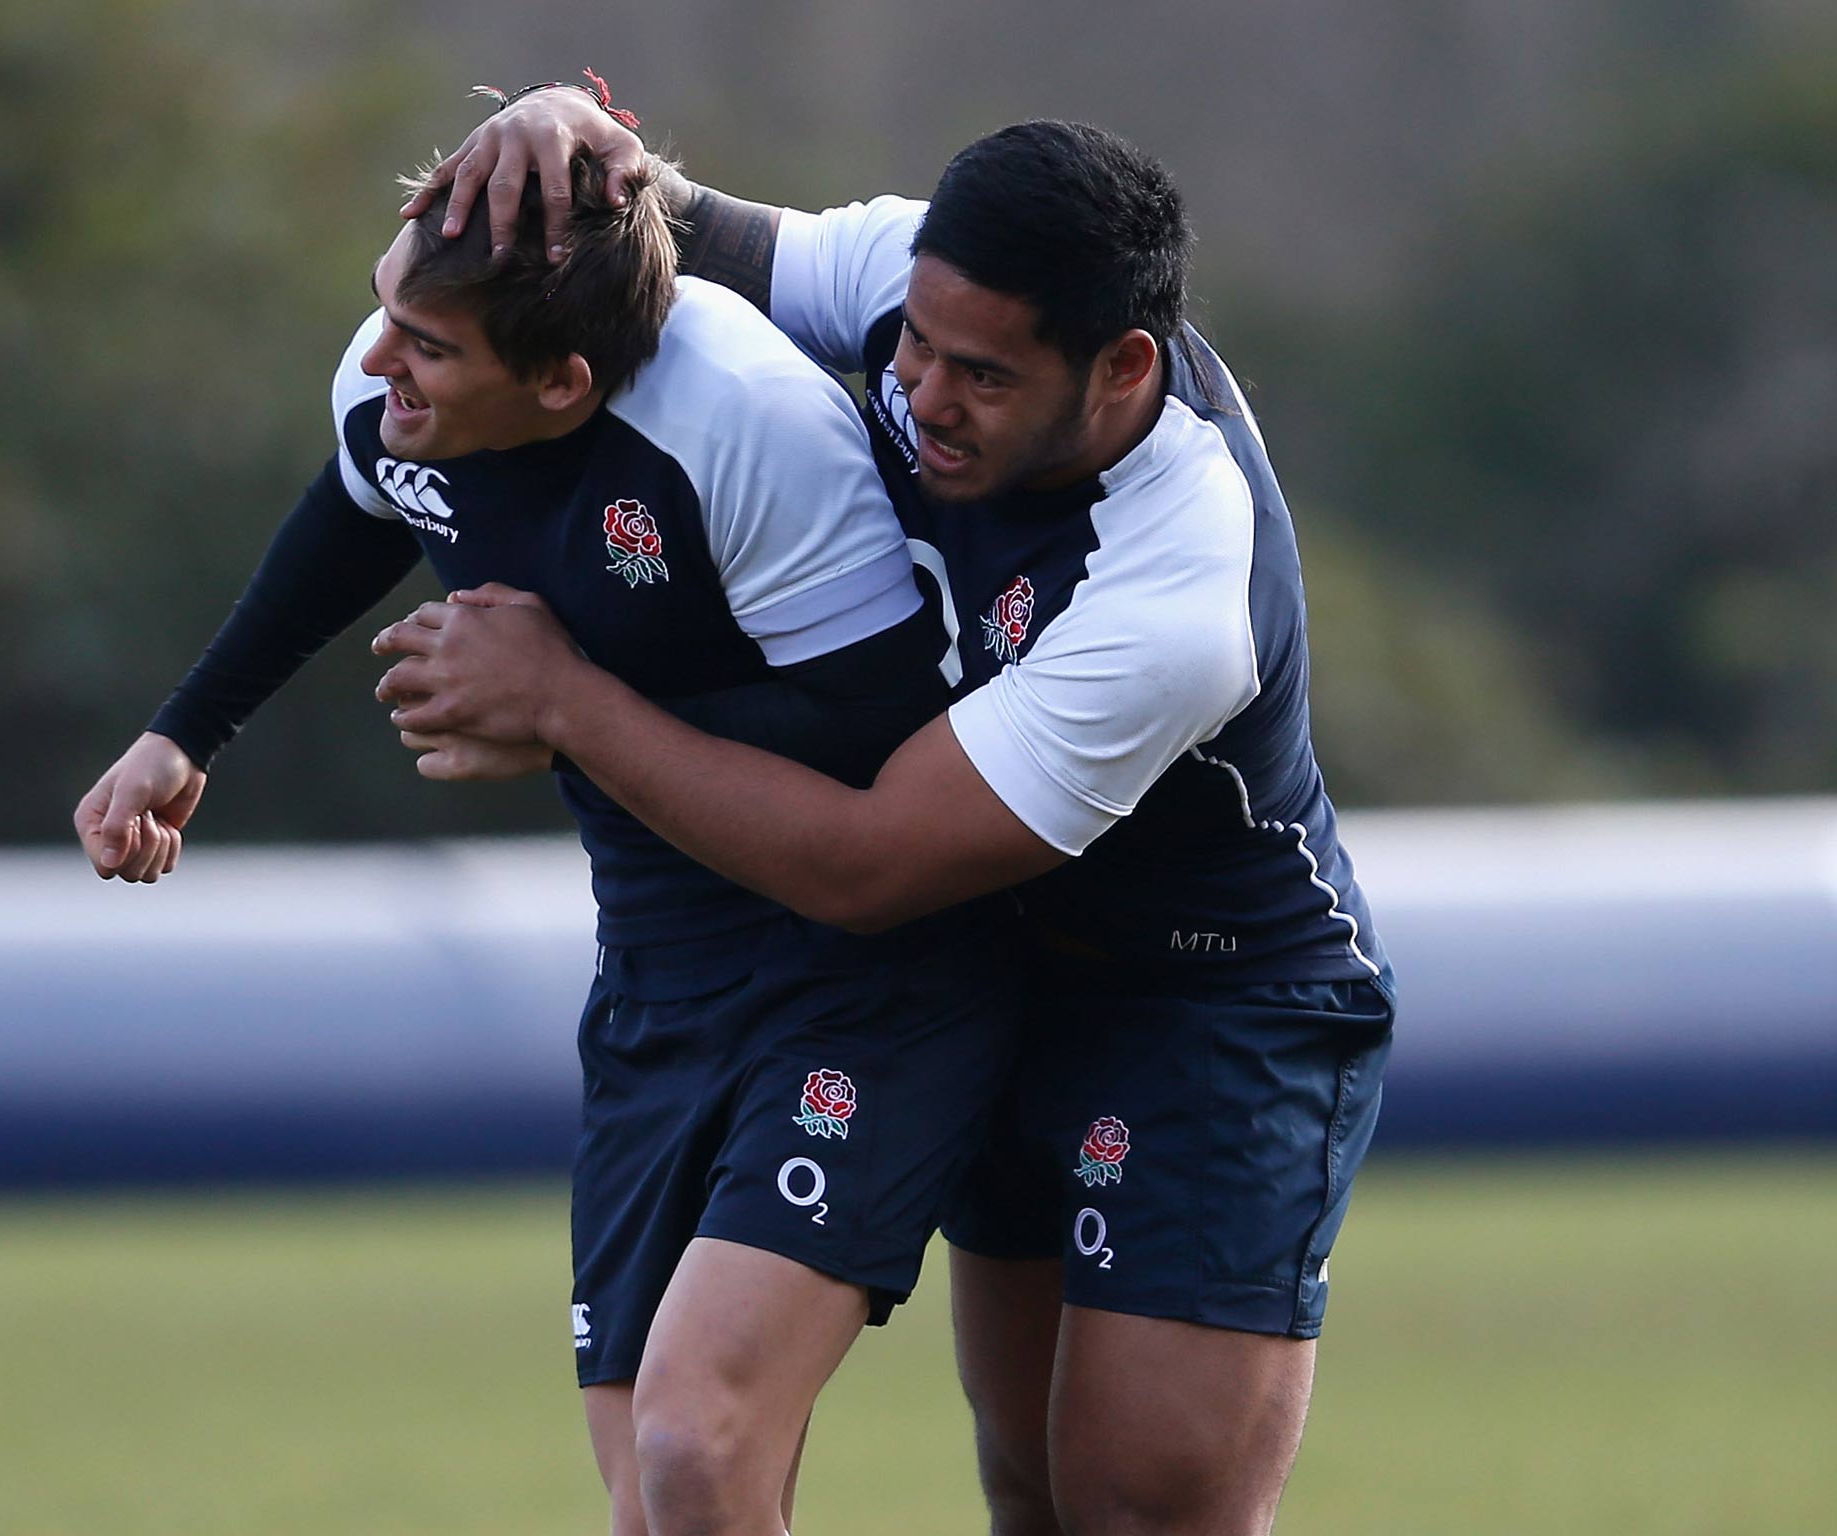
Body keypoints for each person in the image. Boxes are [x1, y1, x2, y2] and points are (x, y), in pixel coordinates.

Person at [383, 87, 1396, 1536]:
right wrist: (571, 136)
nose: (919, 394)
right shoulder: (918, 277)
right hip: (1001, 956)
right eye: (914, 346)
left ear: (1121, 367)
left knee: (1137, 1503)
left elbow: (864, 864)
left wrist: (566, 703)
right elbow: (672, 234)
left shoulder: (1179, 577)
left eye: (979, 376)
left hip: (1208, 1002)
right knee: (1030, 1487)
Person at [73, 144, 1016, 1536]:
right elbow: (359, 502)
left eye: (428, 345)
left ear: (562, 385)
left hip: (862, 975)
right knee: (658, 1500)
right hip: (655, 974)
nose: (381, 353)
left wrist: (571, 706)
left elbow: (885, 750)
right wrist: (186, 731)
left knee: (697, 1442)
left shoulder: (746, 426)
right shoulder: (400, 371)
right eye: (387, 309)